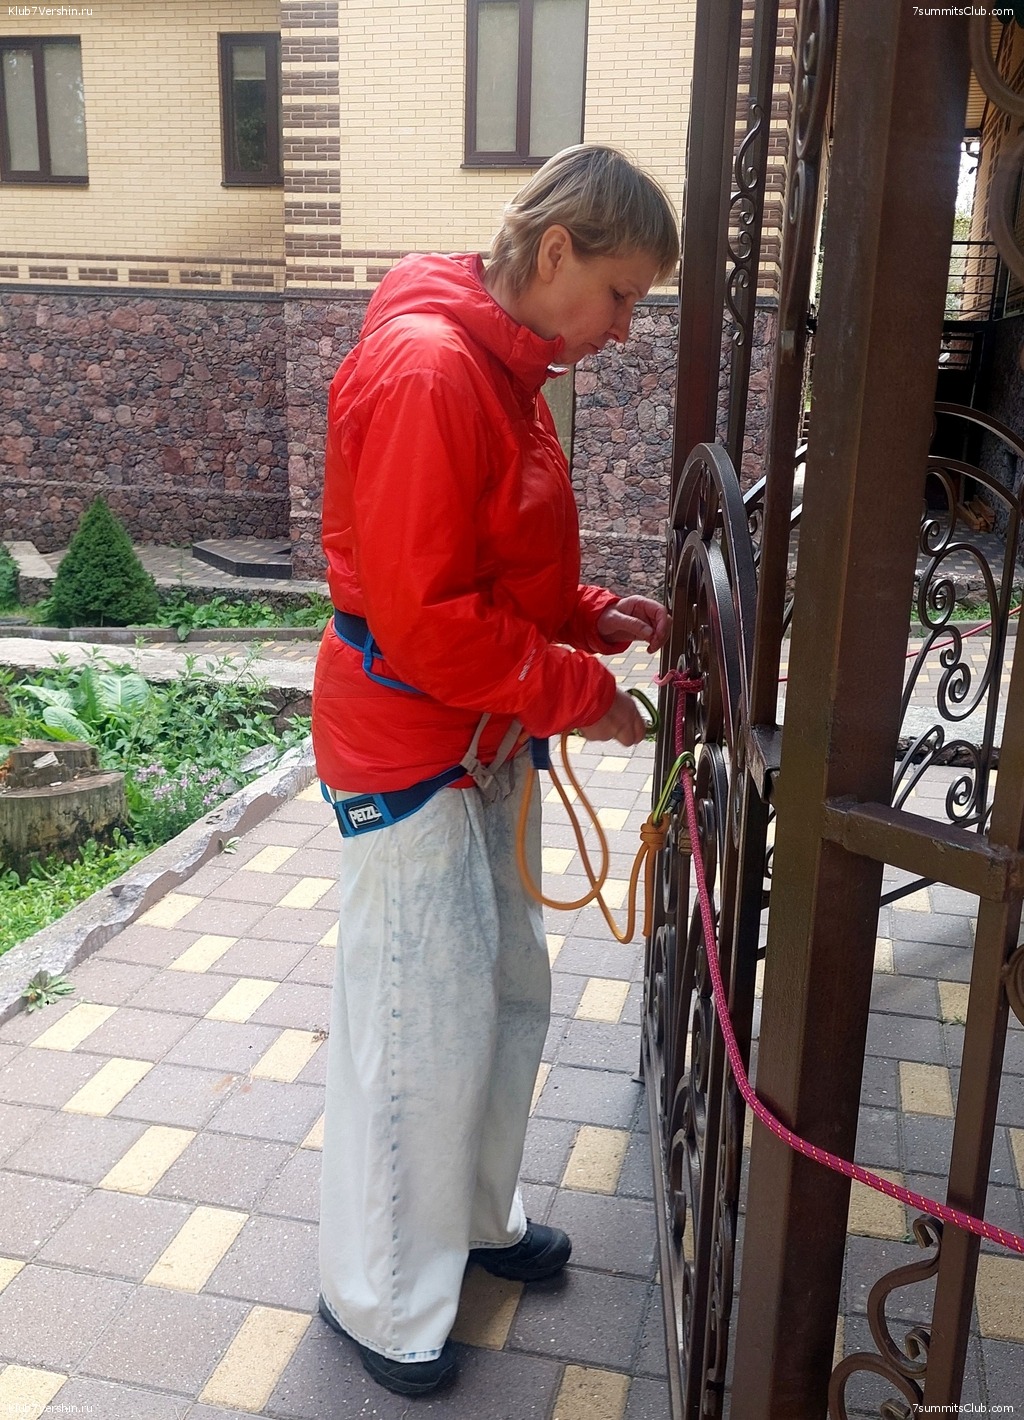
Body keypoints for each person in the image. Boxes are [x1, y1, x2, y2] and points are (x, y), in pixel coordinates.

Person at [311, 143, 678, 1397]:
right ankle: (381, 1299)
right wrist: (582, 692)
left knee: (503, 991)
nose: (624, 328)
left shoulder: (502, 364)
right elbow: (427, 621)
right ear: (557, 249)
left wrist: (588, 615)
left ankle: (468, 1220)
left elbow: (492, 567)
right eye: (621, 294)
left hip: (473, 738)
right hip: (414, 743)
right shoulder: (432, 368)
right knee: (418, 1029)